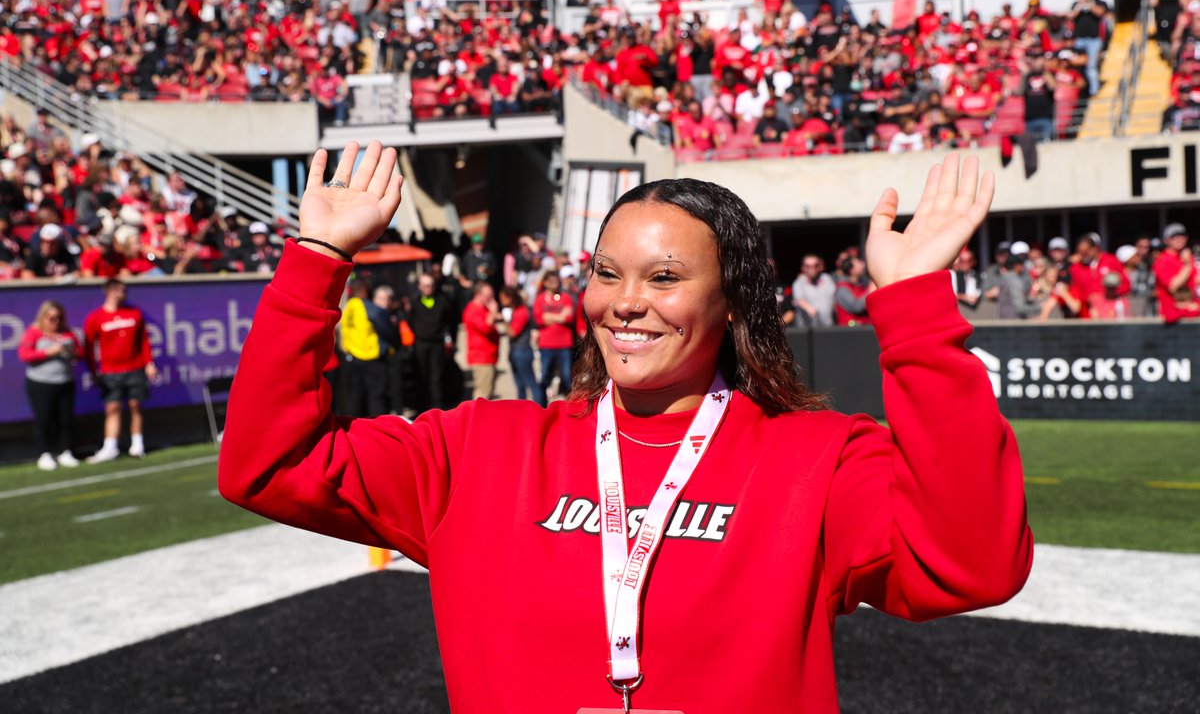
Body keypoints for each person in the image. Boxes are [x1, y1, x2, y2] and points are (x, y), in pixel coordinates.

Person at [219, 142, 1031, 712]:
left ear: (733, 302)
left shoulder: (816, 457)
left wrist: (916, 309)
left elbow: (974, 566)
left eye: (665, 276)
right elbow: (266, 462)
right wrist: (318, 255)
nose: (625, 300)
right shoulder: (481, 449)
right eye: (607, 273)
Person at [83, 279, 158, 462]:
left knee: (135, 405)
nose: (124, 293)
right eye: (120, 290)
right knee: (112, 408)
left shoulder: (134, 313)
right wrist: (93, 371)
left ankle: (137, 444)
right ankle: (110, 447)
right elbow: (89, 347)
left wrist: (149, 363)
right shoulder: (96, 317)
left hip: (135, 367)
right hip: (110, 372)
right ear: (110, 291)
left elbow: (144, 341)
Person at [19, 301, 83, 470]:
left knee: (65, 419)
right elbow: (25, 355)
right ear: (43, 317)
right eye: (51, 318)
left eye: (59, 318)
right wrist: (48, 352)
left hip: (65, 381)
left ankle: (65, 451)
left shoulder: (68, 333)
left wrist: (70, 352)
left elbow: (80, 353)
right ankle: (45, 453)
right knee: (44, 419)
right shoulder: (34, 333)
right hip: (40, 383)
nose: (55, 321)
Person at [339, 279, 392, 417]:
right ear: (364, 290)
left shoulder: (347, 307)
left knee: (356, 396)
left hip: (353, 357)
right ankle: (378, 426)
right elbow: (386, 327)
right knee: (377, 396)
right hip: (372, 357)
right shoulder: (368, 306)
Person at [408, 272, 456, 411]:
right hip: (421, 343)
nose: (428, 288)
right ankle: (421, 407)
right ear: (419, 286)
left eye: (430, 285)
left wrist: (448, 338)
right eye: (425, 286)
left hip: (437, 344)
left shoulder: (443, 301)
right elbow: (411, 321)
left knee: (437, 377)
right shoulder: (415, 301)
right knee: (421, 376)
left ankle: (438, 407)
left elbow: (450, 320)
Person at [498, 285, 545, 405]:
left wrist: (502, 320)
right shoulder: (516, 310)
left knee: (531, 383)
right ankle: (521, 410)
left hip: (522, 352)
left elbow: (512, 333)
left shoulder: (521, 312)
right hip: (515, 352)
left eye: (503, 298)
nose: (501, 301)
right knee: (519, 384)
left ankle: (540, 408)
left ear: (511, 298)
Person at [532, 271, 576, 398]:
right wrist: (560, 316)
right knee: (545, 375)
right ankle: (542, 404)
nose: (554, 284)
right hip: (546, 344)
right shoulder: (540, 299)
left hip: (564, 344)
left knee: (567, 377)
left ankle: (569, 403)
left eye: (556, 281)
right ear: (545, 283)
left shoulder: (566, 297)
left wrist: (549, 317)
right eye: (551, 281)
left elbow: (568, 318)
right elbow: (539, 319)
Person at [1152, 222, 1200, 323]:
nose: (1178, 239)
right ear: (1166, 240)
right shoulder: (1162, 260)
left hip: (1192, 310)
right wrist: (1187, 265)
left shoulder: (1187, 257)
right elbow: (1173, 286)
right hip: (1172, 315)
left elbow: (1196, 281)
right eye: (1173, 237)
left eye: (1181, 236)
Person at [462, 282, 501, 400]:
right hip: (481, 357)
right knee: (482, 394)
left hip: (489, 355)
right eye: (488, 296)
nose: (491, 299)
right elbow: (486, 328)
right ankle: (477, 417)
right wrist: (494, 312)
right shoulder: (472, 310)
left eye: (492, 296)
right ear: (478, 295)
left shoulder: (483, 308)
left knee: (488, 392)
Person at [791, 254, 836, 327]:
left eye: (816, 265)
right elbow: (799, 300)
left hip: (827, 326)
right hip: (807, 329)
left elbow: (834, 296)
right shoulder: (799, 283)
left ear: (820, 266)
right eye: (808, 266)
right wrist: (809, 308)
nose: (812, 269)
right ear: (803, 268)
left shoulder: (827, 279)